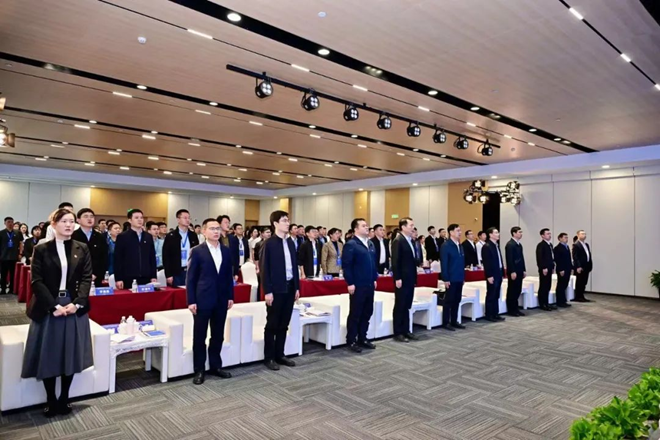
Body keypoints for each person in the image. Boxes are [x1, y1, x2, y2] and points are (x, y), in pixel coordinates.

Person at [22, 208, 93, 417]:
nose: (68, 225)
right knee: (49, 354)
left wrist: (77, 303)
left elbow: (86, 278)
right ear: (53, 224)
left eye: (71, 221)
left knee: (70, 353)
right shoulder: (41, 249)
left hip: (73, 306)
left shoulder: (82, 248)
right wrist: (53, 307)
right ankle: (50, 398)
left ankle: (64, 397)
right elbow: (37, 281)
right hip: (49, 306)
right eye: (64, 221)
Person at [186, 218, 234, 385]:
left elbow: (228, 276)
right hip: (202, 299)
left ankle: (215, 366)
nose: (216, 231)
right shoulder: (197, 251)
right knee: (200, 336)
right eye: (212, 228)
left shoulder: (226, 251)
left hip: (221, 299)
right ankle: (199, 370)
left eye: (218, 229)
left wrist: (230, 296)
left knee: (218, 335)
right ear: (204, 231)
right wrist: (191, 300)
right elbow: (190, 278)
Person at [260, 210, 299, 371]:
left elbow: (294, 267)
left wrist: (297, 287)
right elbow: (264, 269)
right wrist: (267, 291)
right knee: (272, 323)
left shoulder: (290, 242)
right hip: (275, 289)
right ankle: (269, 357)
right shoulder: (268, 244)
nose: (287, 223)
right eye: (284, 220)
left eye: (288, 220)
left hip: (289, 287)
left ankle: (280, 354)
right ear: (275, 223)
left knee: (284, 323)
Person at [342, 218, 378, 353]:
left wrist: (374, 278)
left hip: (369, 284)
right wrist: (350, 282)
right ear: (355, 229)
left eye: (367, 225)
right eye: (363, 226)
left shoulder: (370, 243)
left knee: (367, 312)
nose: (367, 227)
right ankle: (351, 340)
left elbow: (373, 263)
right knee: (356, 313)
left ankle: (363, 337)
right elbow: (347, 265)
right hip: (357, 285)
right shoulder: (351, 244)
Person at [113, 209, 157, 289]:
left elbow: (152, 257)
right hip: (128, 277)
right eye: (136, 218)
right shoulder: (122, 237)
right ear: (130, 220)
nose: (140, 220)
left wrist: (154, 276)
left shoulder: (148, 236)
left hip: (146, 277)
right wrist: (118, 278)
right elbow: (118, 259)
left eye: (141, 217)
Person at [391, 217, 419, 342]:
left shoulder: (410, 240)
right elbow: (395, 261)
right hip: (402, 278)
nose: (413, 227)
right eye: (410, 225)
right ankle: (398, 332)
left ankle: (406, 330)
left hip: (410, 278)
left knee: (407, 305)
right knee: (400, 305)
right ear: (403, 227)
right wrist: (397, 277)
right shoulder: (398, 240)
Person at [440, 224, 467, 331]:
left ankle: (454, 320)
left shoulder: (460, 245)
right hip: (451, 278)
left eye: (460, 230)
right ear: (451, 232)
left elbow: (462, 263)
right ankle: (446, 322)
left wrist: (463, 277)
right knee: (449, 300)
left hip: (459, 277)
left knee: (457, 300)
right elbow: (444, 263)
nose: (460, 232)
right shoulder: (446, 245)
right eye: (457, 230)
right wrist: (446, 278)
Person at [163, 209, 199, 287]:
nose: (187, 220)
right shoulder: (171, 236)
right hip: (176, 272)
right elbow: (166, 256)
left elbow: (197, 254)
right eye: (185, 218)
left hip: (190, 270)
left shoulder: (193, 235)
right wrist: (168, 274)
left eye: (189, 218)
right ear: (178, 219)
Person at [71, 208, 108, 283]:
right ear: (78, 220)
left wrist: (96, 273)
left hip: (96, 277)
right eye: (86, 216)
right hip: (77, 277)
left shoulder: (100, 237)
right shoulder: (72, 236)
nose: (89, 219)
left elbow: (104, 257)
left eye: (91, 216)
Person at [481, 227, 505, 322]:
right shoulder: (487, 246)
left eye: (498, 232)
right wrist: (489, 275)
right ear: (490, 235)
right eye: (496, 232)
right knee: (491, 294)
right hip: (492, 274)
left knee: (496, 294)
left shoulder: (496, 245)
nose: (498, 234)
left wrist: (502, 272)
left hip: (498, 272)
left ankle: (495, 313)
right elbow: (487, 262)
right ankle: (489, 314)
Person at [504, 227, 526, 317]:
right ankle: (511, 309)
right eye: (519, 232)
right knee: (512, 290)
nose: (521, 234)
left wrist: (524, 269)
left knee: (518, 290)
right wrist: (512, 271)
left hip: (519, 270)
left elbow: (522, 258)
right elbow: (509, 259)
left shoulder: (519, 244)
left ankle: (516, 308)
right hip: (513, 271)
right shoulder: (510, 244)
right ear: (514, 233)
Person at [1, 216, 23, 294]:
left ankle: (12, 289)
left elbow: (21, 243)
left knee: (13, 274)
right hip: (3, 256)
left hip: (14, 256)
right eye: (8, 222)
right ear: (5, 223)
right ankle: (3, 289)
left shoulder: (18, 232)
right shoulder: (1, 233)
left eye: (11, 222)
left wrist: (20, 253)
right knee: (3, 274)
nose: (10, 223)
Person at [536, 228, 556, 311]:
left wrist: (553, 266)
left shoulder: (550, 245)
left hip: (550, 268)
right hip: (544, 269)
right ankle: (542, 304)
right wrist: (543, 267)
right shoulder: (541, 245)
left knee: (548, 286)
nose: (549, 235)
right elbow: (540, 258)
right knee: (543, 286)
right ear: (542, 236)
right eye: (547, 234)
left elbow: (551, 257)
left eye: (550, 233)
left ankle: (546, 303)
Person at [572, 229, 593, 302]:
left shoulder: (586, 245)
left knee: (584, 282)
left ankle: (581, 296)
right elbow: (575, 256)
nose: (584, 235)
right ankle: (578, 297)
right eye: (582, 234)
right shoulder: (576, 245)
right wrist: (578, 266)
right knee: (579, 282)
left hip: (586, 266)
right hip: (580, 267)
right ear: (578, 235)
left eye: (585, 234)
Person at [554, 233, 573, 308]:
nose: (566, 239)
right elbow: (558, 260)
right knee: (561, 285)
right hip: (562, 269)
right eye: (565, 237)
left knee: (565, 285)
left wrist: (571, 267)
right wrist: (561, 269)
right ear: (560, 238)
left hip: (567, 268)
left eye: (567, 237)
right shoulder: (557, 248)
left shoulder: (567, 247)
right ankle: (560, 301)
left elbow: (569, 259)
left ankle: (563, 300)